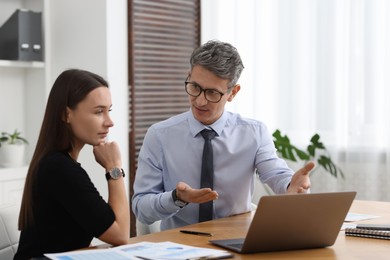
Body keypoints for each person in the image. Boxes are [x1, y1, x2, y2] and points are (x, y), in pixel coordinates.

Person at [132, 40, 314, 231]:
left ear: (233, 92)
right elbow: (141, 209)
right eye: (195, 87)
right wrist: (176, 198)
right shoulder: (160, 136)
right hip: (179, 245)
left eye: (212, 93)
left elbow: (277, 175)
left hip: (236, 241)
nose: (200, 101)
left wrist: (292, 187)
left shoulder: (254, 133)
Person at [14, 69, 130, 259]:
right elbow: (121, 235)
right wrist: (114, 167)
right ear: (66, 114)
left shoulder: (56, 162)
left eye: (108, 110)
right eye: (99, 112)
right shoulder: (59, 168)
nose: (110, 122)